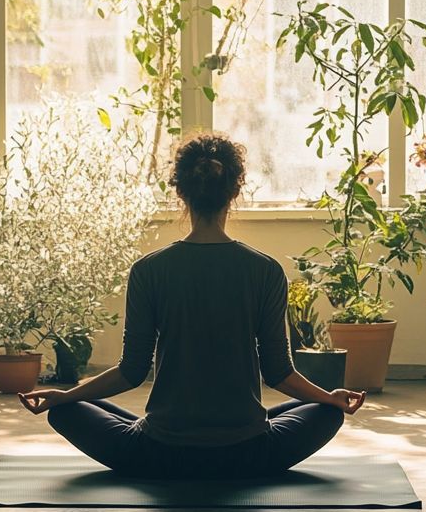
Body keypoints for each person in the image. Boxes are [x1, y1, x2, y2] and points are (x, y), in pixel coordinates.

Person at [19, 133, 366, 479]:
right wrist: (330, 398)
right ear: (235, 191)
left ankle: (100, 415)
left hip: (160, 453)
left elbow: (131, 372)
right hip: (248, 453)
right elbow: (279, 374)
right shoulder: (266, 270)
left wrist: (65, 397)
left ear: (180, 192)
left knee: (66, 411)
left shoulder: (148, 270)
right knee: (324, 411)